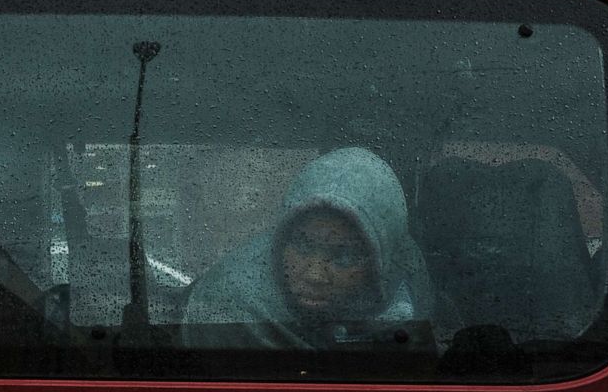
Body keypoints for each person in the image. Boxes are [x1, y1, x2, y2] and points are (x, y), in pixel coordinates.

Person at [182, 147, 436, 350]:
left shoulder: (404, 280)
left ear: (379, 260)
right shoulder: (232, 307)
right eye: (302, 247)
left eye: (344, 257)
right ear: (280, 241)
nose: (315, 275)